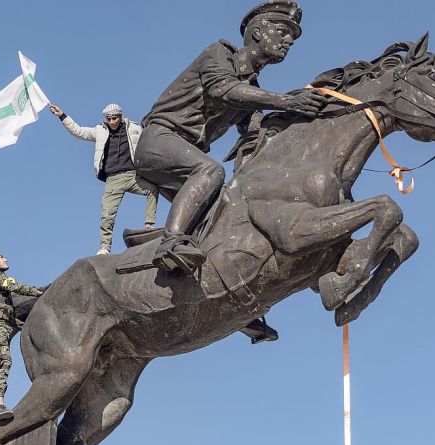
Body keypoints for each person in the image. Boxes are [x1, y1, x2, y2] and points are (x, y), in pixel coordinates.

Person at [134, 0, 326, 274]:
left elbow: (255, 135)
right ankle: (171, 243)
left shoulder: (252, 89)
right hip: (158, 141)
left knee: (228, 208)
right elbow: (223, 89)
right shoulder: (219, 53)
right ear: (258, 32)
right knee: (210, 170)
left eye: (291, 37)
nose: (289, 41)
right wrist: (286, 101)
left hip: (186, 159)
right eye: (283, 32)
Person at [48, 102, 159, 256]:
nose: (112, 121)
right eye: (109, 119)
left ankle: (149, 226)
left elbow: (148, 138)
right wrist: (62, 116)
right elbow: (78, 131)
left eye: (115, 118)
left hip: (132, 175)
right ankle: (105, 247)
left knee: (152, 189)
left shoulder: (133, 128)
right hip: (113, 179)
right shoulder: (100, 131)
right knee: (107, 215)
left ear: (120, 117)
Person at [0, 251, 43, 425]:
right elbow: (13, 286)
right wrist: (36, 293)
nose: (5, 259)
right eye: (1, 257)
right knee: (2, 362)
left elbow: (6, 310)